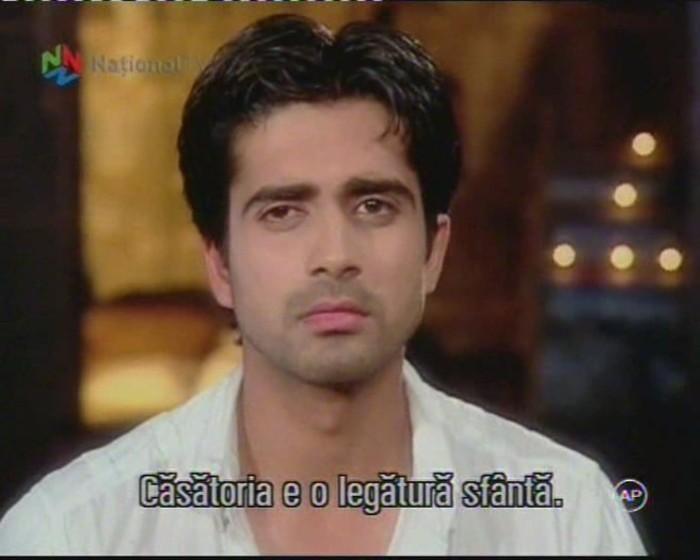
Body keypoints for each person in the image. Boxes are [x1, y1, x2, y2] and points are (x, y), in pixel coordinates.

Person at [0, 14, 647, 555]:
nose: (335, 256)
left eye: (374, 206)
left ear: (433, 250)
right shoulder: (76, 533)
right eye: (283, 212)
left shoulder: (564, 519)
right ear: (220, 264)